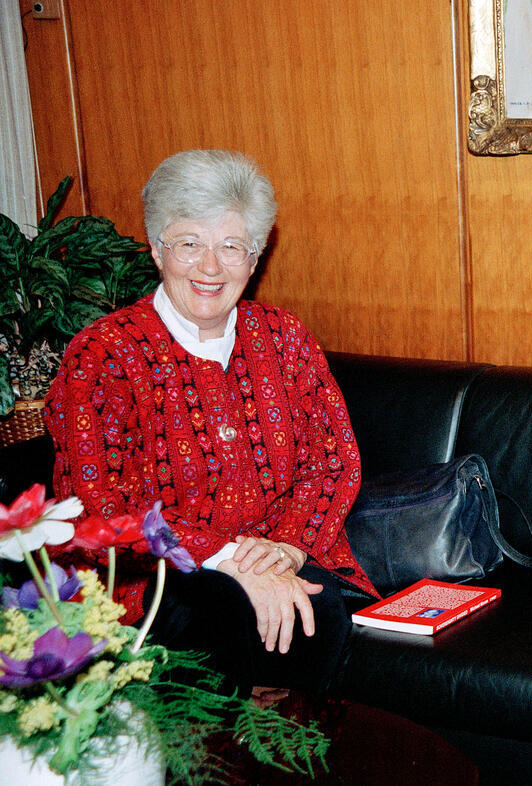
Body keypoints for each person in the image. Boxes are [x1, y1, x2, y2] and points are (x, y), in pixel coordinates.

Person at [45, 149, 377, 695]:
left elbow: (333, 459)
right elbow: (99, 500)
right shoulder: (102, 353)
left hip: (276, 549)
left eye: (231, 247)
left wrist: (287, 549)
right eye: (189, 244)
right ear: (158, 250)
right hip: (152, 570)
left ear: (254, 258)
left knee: (319, 608)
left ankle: (290, 747)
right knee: (218, 612)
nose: (210, 267)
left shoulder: (284, 337)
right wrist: (228, 561)